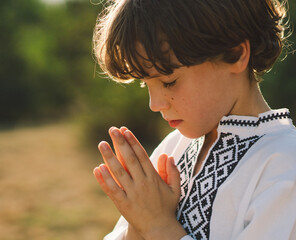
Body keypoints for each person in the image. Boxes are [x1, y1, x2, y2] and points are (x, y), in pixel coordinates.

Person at [92, 0, 296, 239]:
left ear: (235, 53)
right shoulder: (172, 148)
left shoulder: (284, 165)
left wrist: (158, 226)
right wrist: (137, 225)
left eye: (169, 81)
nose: (154, 104)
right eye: (145, 83)